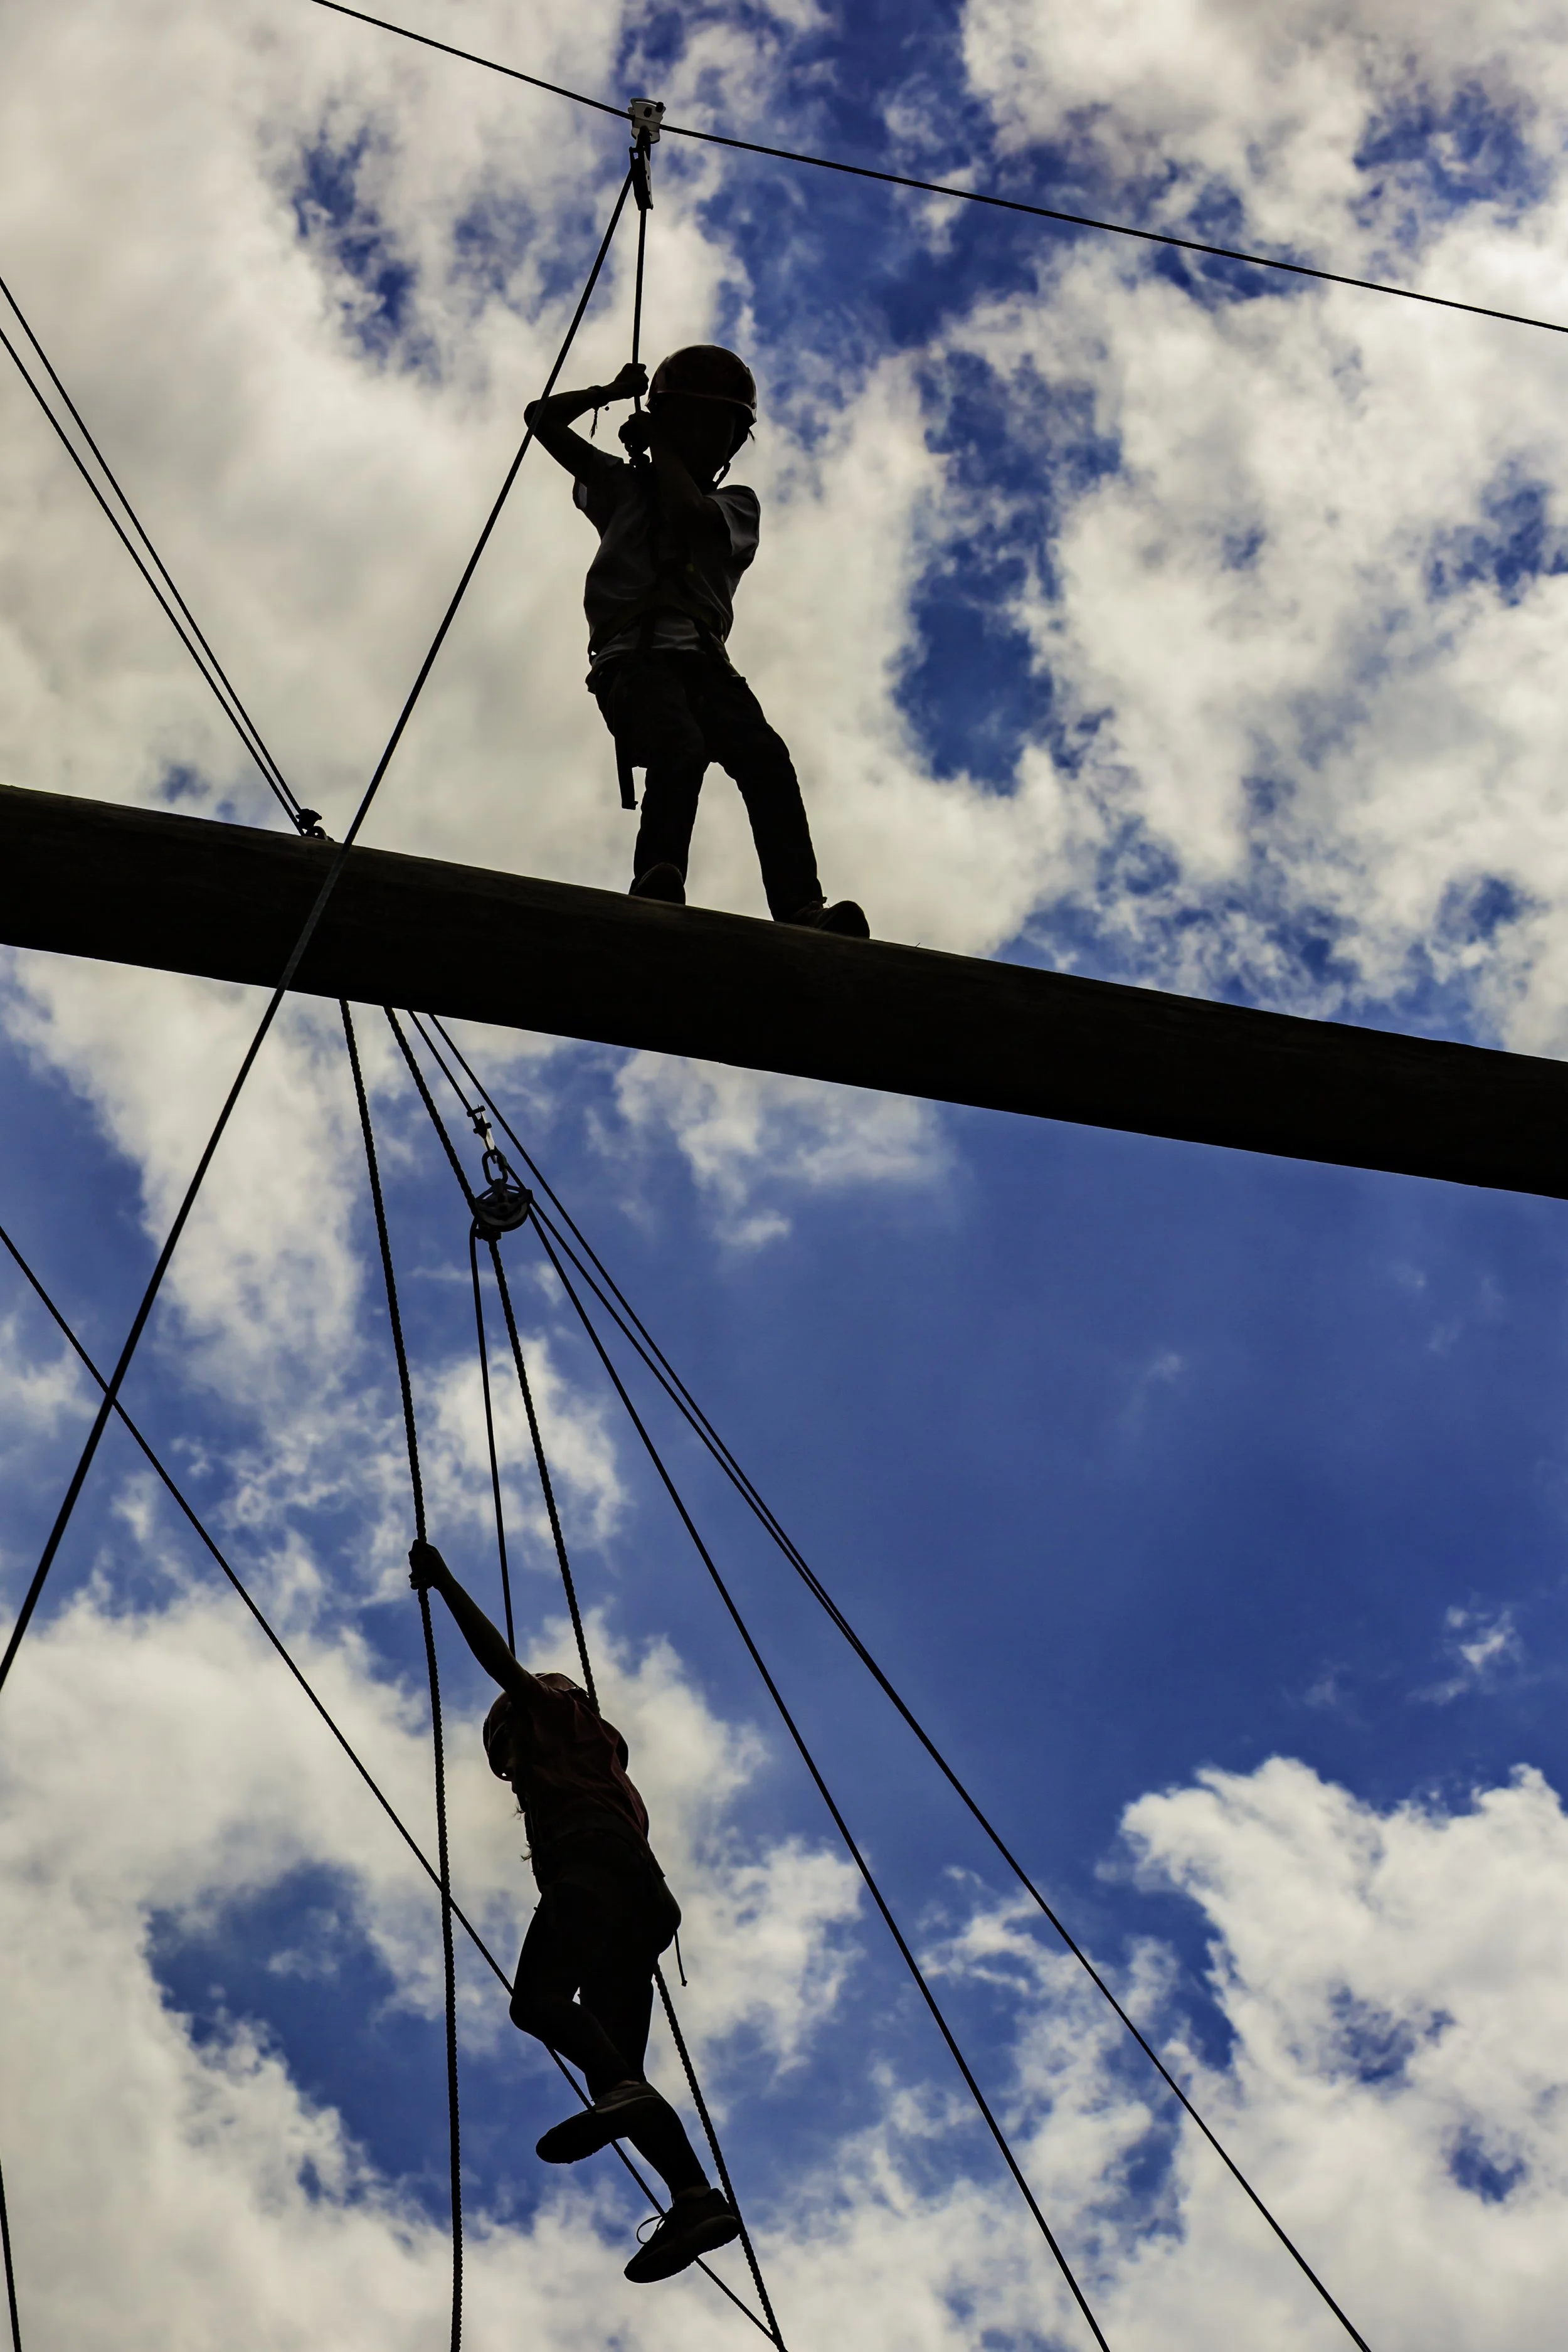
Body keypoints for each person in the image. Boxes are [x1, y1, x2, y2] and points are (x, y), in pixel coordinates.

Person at [407, 1537, 742, 2284]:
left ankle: (646, 2128)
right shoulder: (603, 1766)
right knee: (617, 2076)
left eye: (506, 1755)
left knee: (537, 2003)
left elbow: (501, 1664)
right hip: (641, 1906)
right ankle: (694, 2198)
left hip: (593, 1878)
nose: (512, 1773)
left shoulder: (558, 1715)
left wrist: (444, 1581)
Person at [524, 343, 869, 936]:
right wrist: (609, 394)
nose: (703, 434)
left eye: (715, 424)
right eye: (691, 420)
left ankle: (800, 907)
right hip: (633, 661)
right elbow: (542, 419)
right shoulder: (620, 485)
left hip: (704, 664)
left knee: (766, 760)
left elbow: (690, 517)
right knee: (677, 746)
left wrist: (657, 443)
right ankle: (658, 877)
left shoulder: (735, 505)